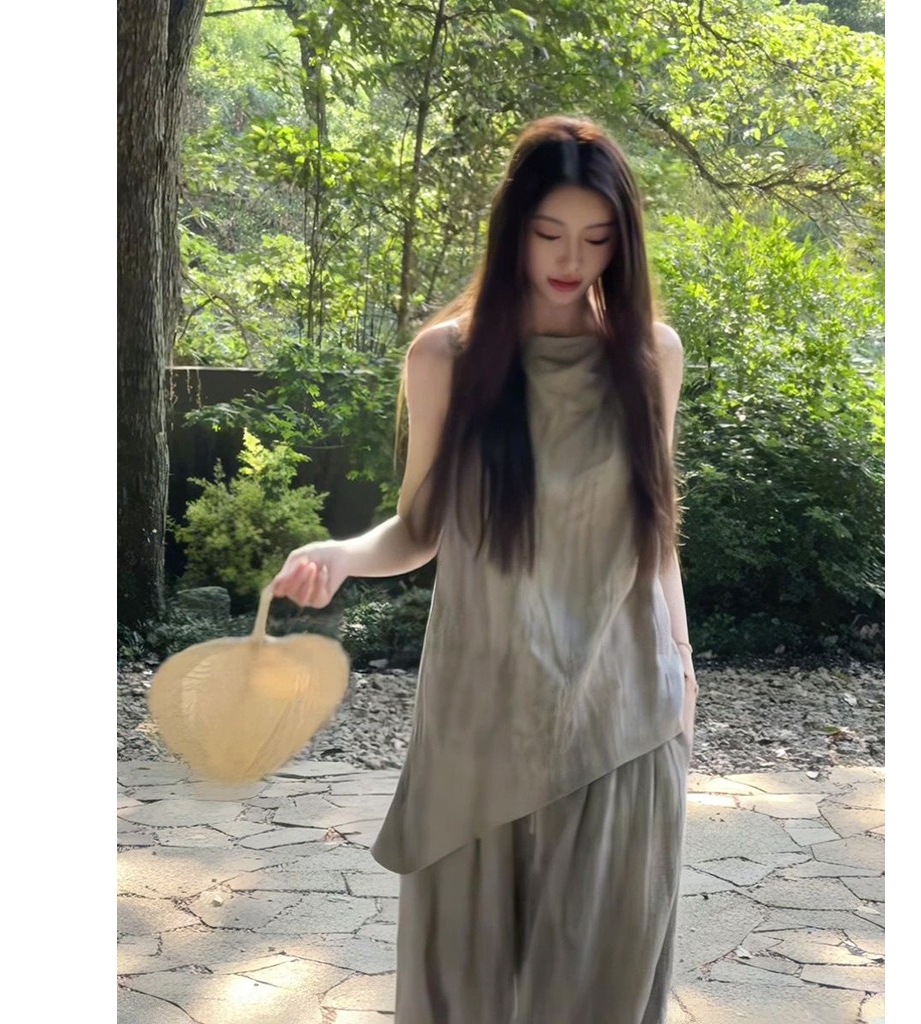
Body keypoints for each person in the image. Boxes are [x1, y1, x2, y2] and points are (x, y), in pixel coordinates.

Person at [272, 114, 698, 1024]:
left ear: (623, 242)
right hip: (479, 717)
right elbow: (419, 529)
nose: (571, 259)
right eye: (549, 233)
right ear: (513, 230)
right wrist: (339, 556)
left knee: (602, 997)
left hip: (623, 714)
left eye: (596, 238)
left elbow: (655, 533)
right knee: (459, 998)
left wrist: (683, 667)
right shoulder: (448, 359)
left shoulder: (650, 357)